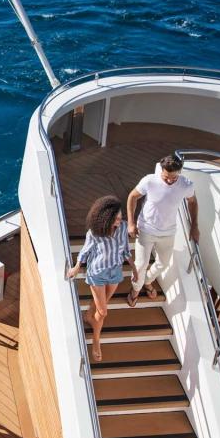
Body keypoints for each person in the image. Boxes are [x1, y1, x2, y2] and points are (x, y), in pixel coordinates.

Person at [126, 153, 199, 306]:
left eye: (173, 178)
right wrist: (131, 223)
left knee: (163, 264)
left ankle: (147, 281)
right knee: (140, 265)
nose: (169, 181)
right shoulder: (150, 180)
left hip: (168, 233)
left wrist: (194, 226)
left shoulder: (186, 184)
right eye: (166, 177)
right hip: (145, 229)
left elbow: (192, 202)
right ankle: (135, 290)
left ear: (179, 172)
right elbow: (132, 197)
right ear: (162, 170)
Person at [66, 195, 132, 362]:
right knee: (102, 311)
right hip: (98, 273)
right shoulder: (94, 233)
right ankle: (96, 341)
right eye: (116, 218)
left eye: (120, 217)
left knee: (100, 306)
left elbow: (124, 249)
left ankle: (89, 316)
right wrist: (76, 267)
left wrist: (134, 267)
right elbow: (85, 252)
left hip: (115, 272)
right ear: (106, 218)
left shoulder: (123, 228)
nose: (119, 221)